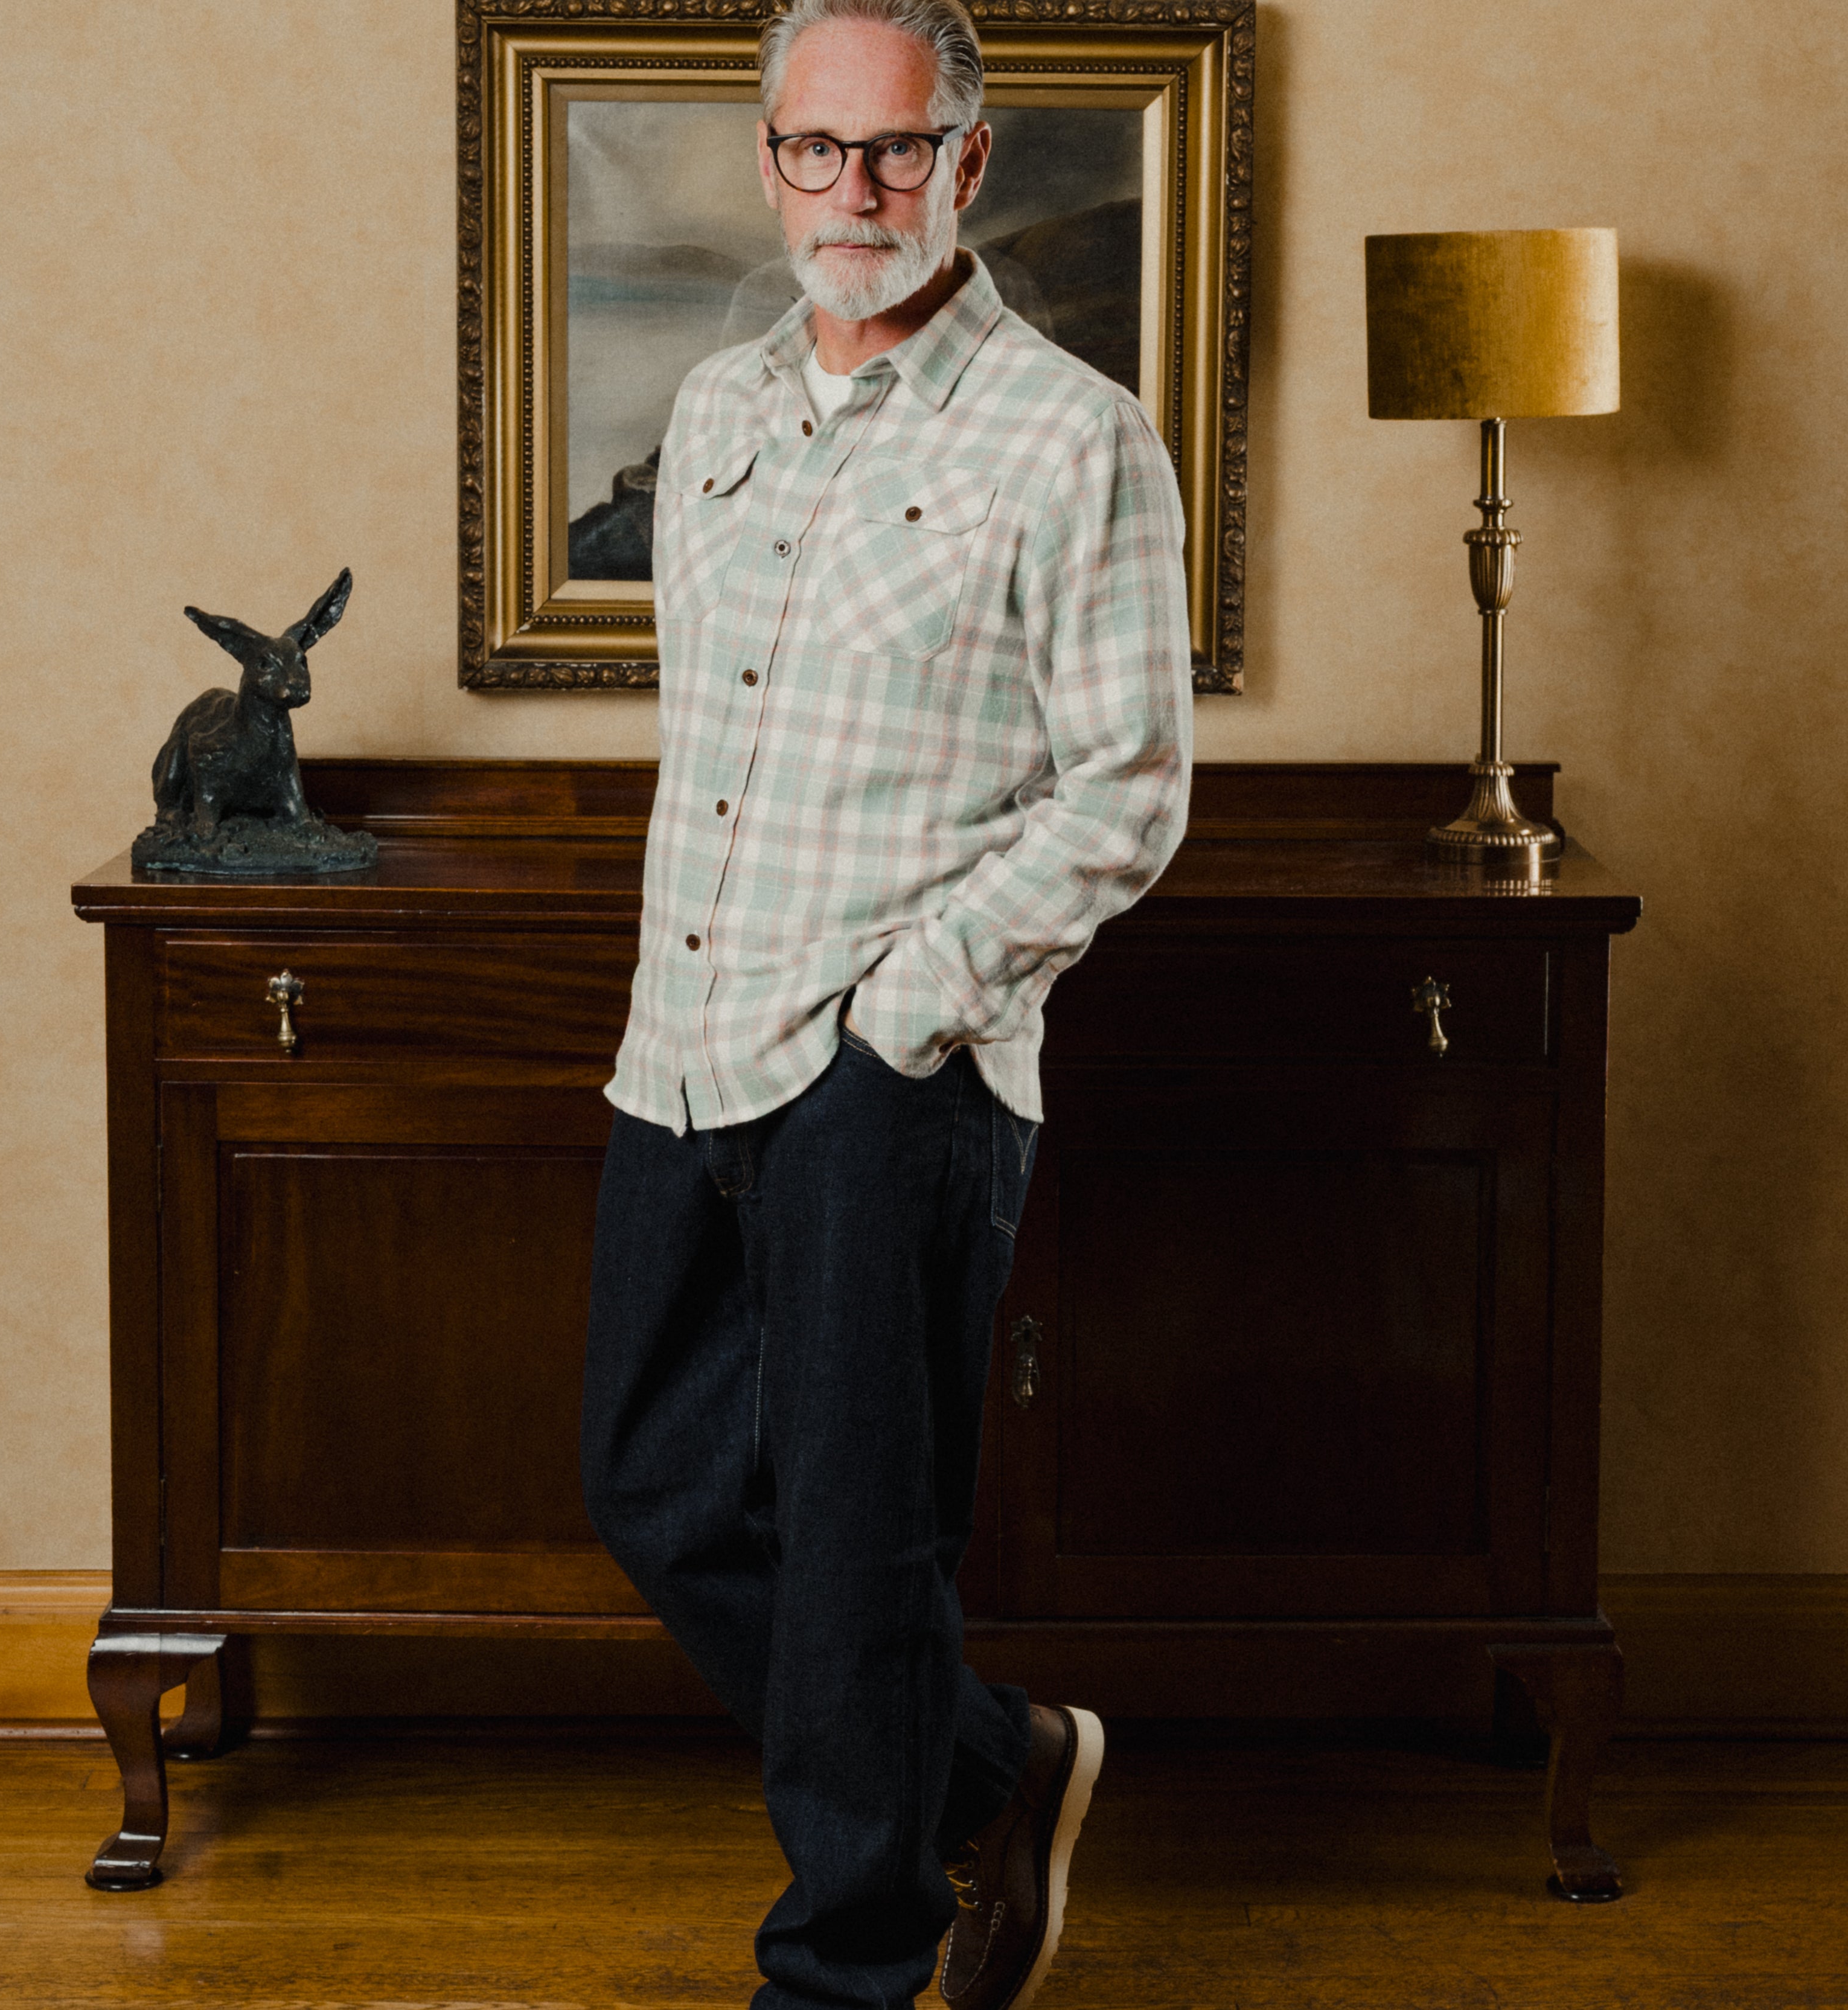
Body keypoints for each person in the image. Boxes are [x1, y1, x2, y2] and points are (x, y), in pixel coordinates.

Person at [580, 0, 1193, 2003]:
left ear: (971, 160)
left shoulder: (1071, 435)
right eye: (819, 151)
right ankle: (992, 1763)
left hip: (891, 1074)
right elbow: (720, 748)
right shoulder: (719, 412)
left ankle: (843, 1965)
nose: (857, 191)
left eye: (899, 150)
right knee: (653, 1488)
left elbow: (1128, 793)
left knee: (858, 1544)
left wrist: (906, 1009)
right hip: (680, 1045)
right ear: (768, 158)